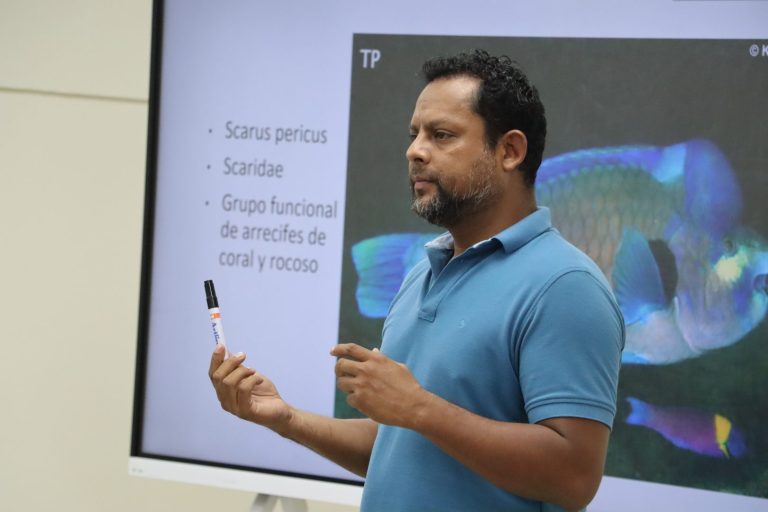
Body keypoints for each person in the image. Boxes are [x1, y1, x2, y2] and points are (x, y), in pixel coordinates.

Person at [209, 50, 624, 512]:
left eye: (441, 135)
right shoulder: (422, 272)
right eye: (415, 135)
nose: (415, 151)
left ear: (509, 151)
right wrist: (285, 419)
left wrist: (420, 408)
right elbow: (400, 445)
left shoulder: (565, 286)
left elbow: (573, 477)